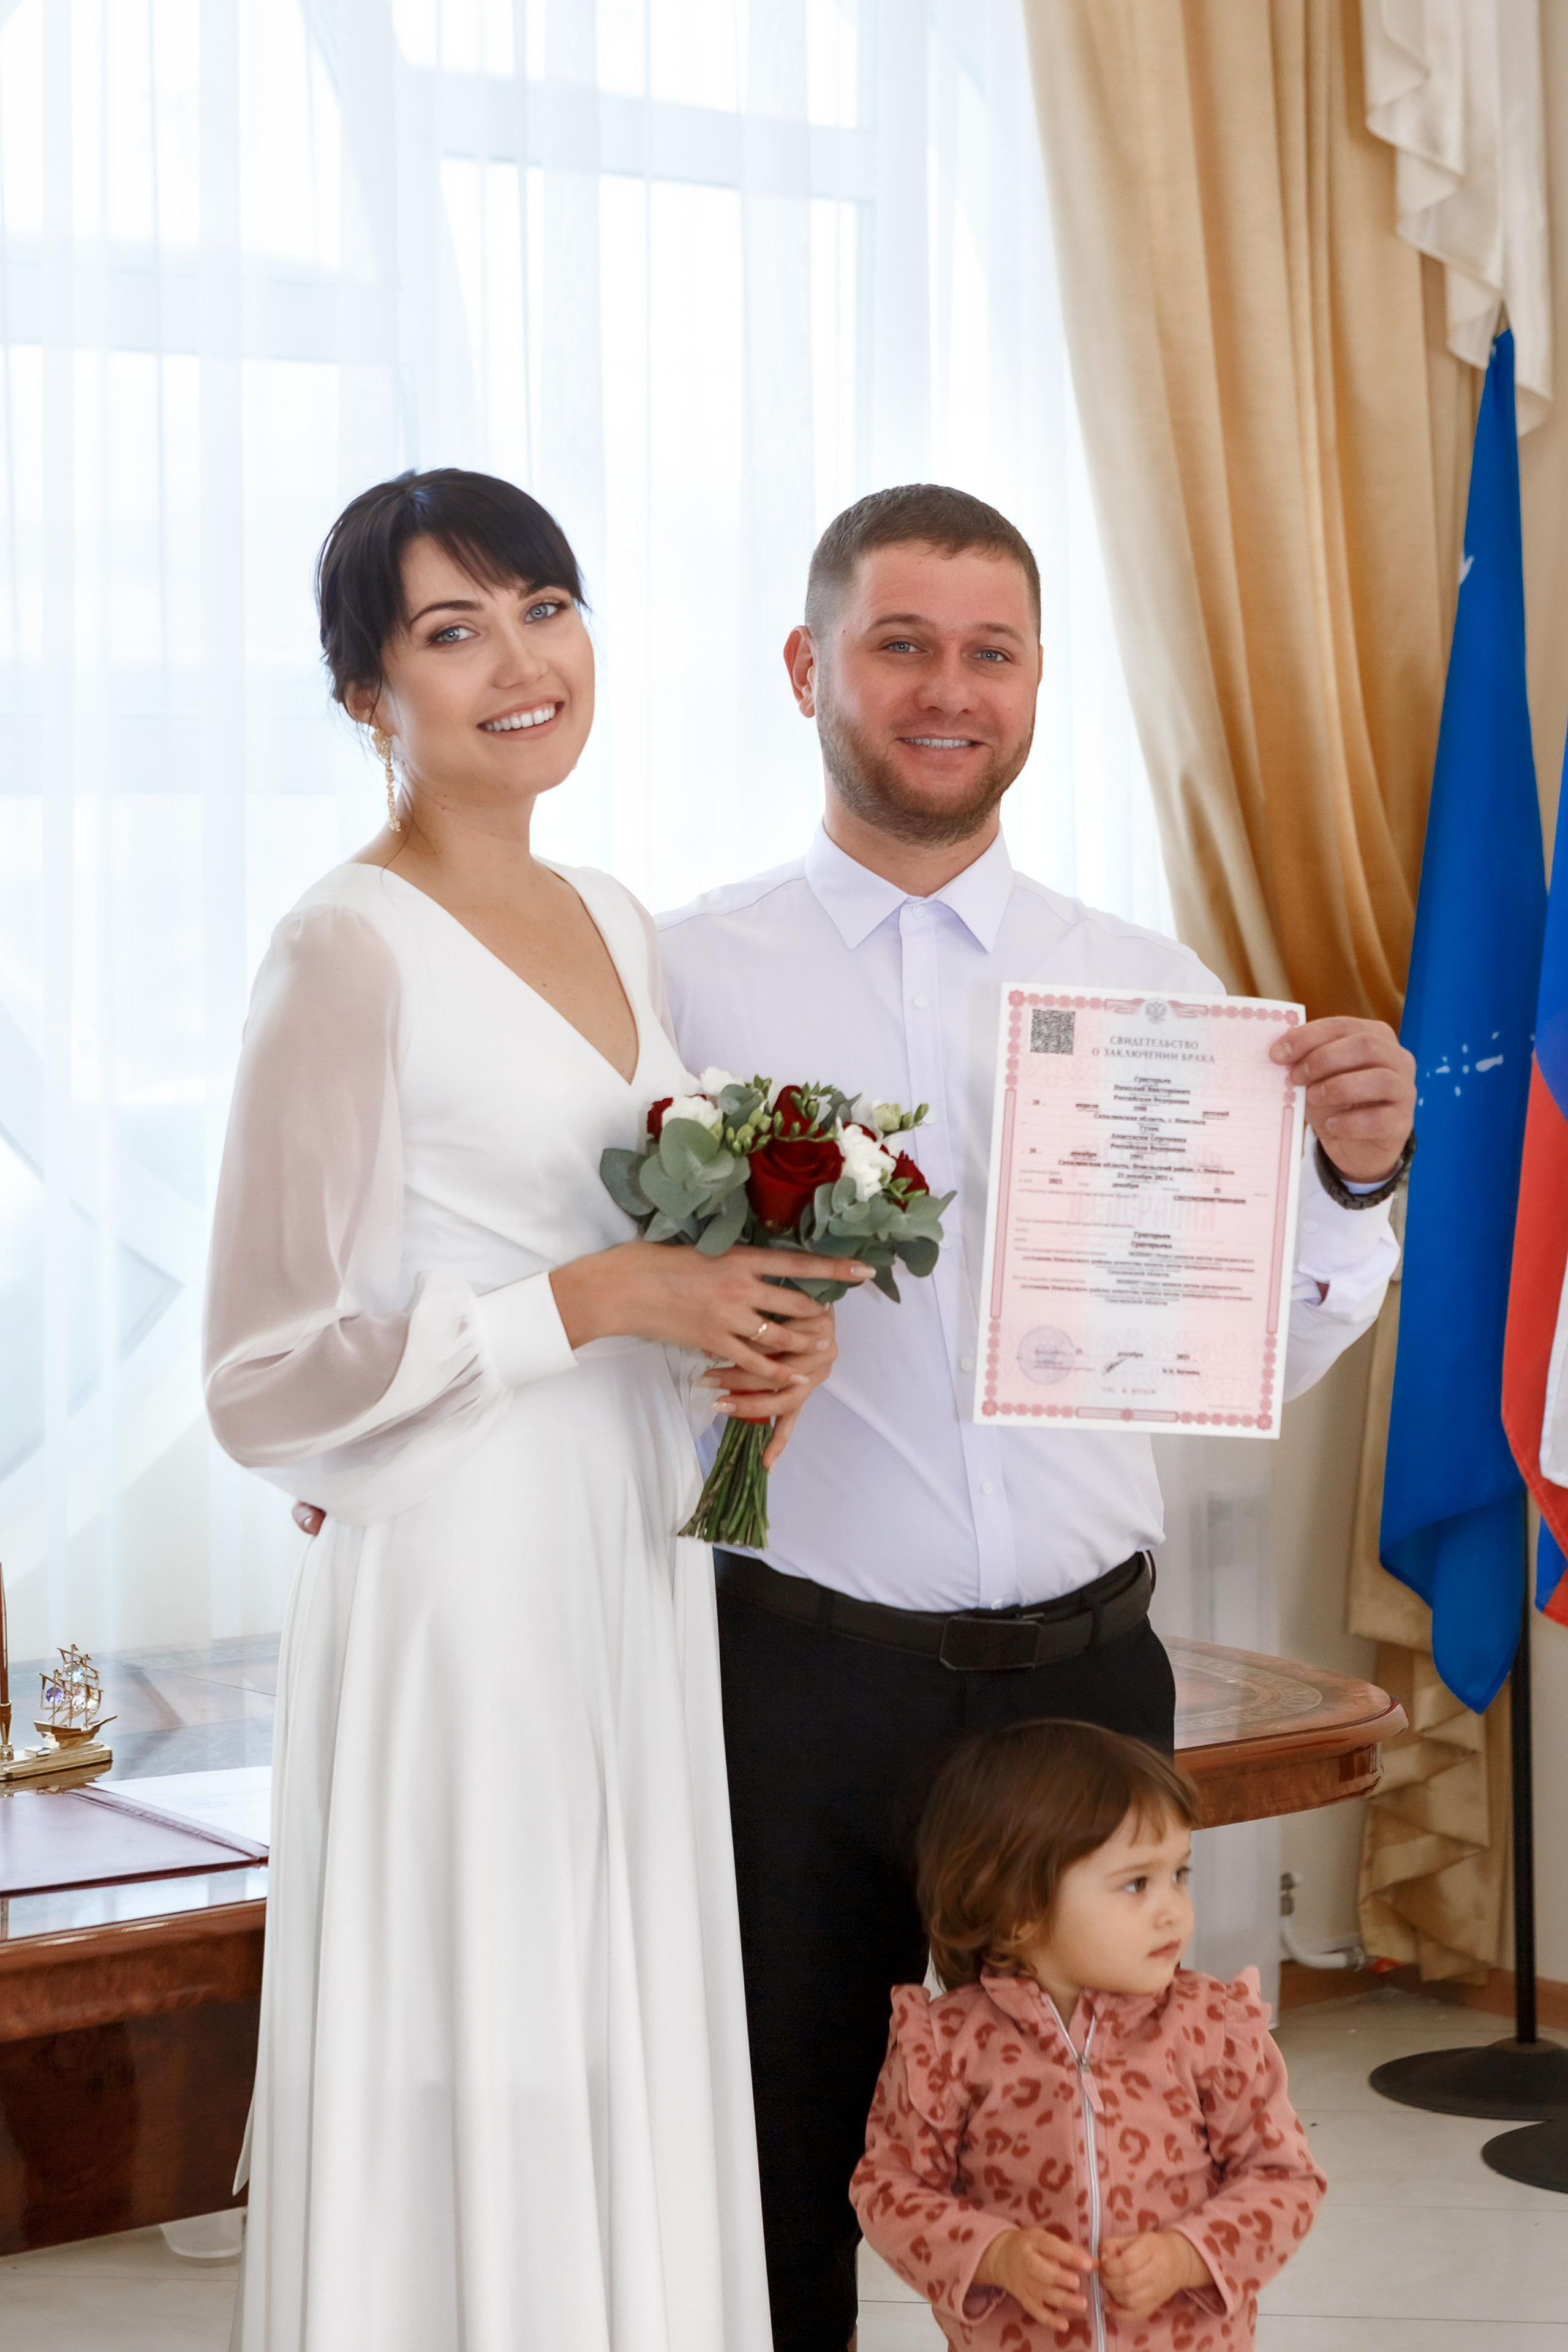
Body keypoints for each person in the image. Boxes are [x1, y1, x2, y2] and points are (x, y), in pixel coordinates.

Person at [652, 483, 1414, 2351]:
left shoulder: (1155, 993)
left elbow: (1263, 1345)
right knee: (786, 2154)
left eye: (989, 649)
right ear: (806, 665)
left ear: (1038, 680)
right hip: (793, 1679)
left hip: (1088, 1678)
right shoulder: (673, 977)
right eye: (900, 640)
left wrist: (1351, 1175)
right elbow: (607, 1300)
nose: (945, 686)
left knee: (1099, 2176)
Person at [205, 466, 858, 2352]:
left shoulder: (614, 914)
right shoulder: (345, 944)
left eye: (545, 605)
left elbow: (651, 1252)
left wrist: (747, 1341)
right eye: (450, 626)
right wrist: (593, 1301)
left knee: (616, 2017)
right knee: (487, 2029)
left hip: (631, 1548)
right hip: (460, 1578)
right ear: (364, 697)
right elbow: (263, 1372)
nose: (519, 659)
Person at [850, 1719, 1325, 2348]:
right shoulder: (944, 2048)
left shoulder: (1213, 2029)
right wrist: (992, 2256)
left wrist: (1190, 2255)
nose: (1171, 1909)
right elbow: (888, 2189)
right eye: (1136, 1883)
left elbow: (1285, 2179)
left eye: (1178, 1875)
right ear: (1020, 1912)